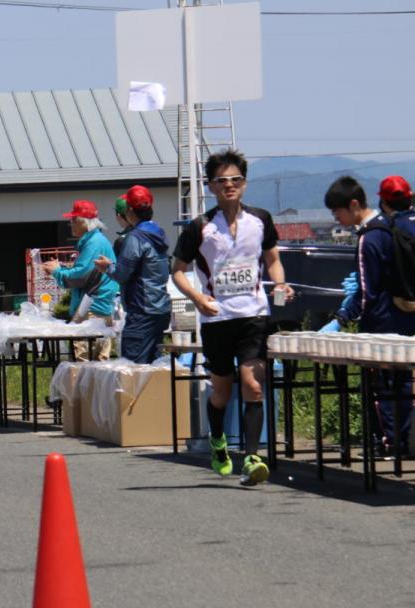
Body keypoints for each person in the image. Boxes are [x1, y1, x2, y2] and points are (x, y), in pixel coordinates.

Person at [172, 149, 292, 486]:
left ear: (245, 183)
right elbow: (178, 271)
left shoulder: (261, 219)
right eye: (222, 181)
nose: (230, 186)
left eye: (236, 180)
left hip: (253, 313)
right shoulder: (201, 227)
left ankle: (253, 457)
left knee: (254, 384)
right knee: (221, 392)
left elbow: (272, 260)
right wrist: (198, 298)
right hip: (217, 318)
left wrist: (280, 282)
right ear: (211, 186)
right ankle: (218, 442)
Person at [323, 175, 415, 458]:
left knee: (382, 388)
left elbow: (366, 291)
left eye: (337, 212)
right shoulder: (396, 228)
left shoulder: (370, 237)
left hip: (378, 324)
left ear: (353, 205)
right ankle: (405, 442)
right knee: (405, 385)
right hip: (404, 321)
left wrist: (341, 318)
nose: (336, 218)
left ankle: (389, 444)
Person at [93, 185, 172, 364]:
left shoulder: (135, 238)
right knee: (154, 366)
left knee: (133, 369)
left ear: (129, 210)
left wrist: (107, 267)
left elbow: (121, 274)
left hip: (141, 310)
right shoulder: (159, 233)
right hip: (161, 308)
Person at [42, 200, 119, 361]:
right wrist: (61, 268)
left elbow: (81, 276)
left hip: (91, 309)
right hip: (99, 307)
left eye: (73, 220)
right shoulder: (96, 241)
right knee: (99, 364)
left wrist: (57, 272)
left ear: (83, 222)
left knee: (83, 362)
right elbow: (86, 271)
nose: (71, 224)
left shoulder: (94, 243)